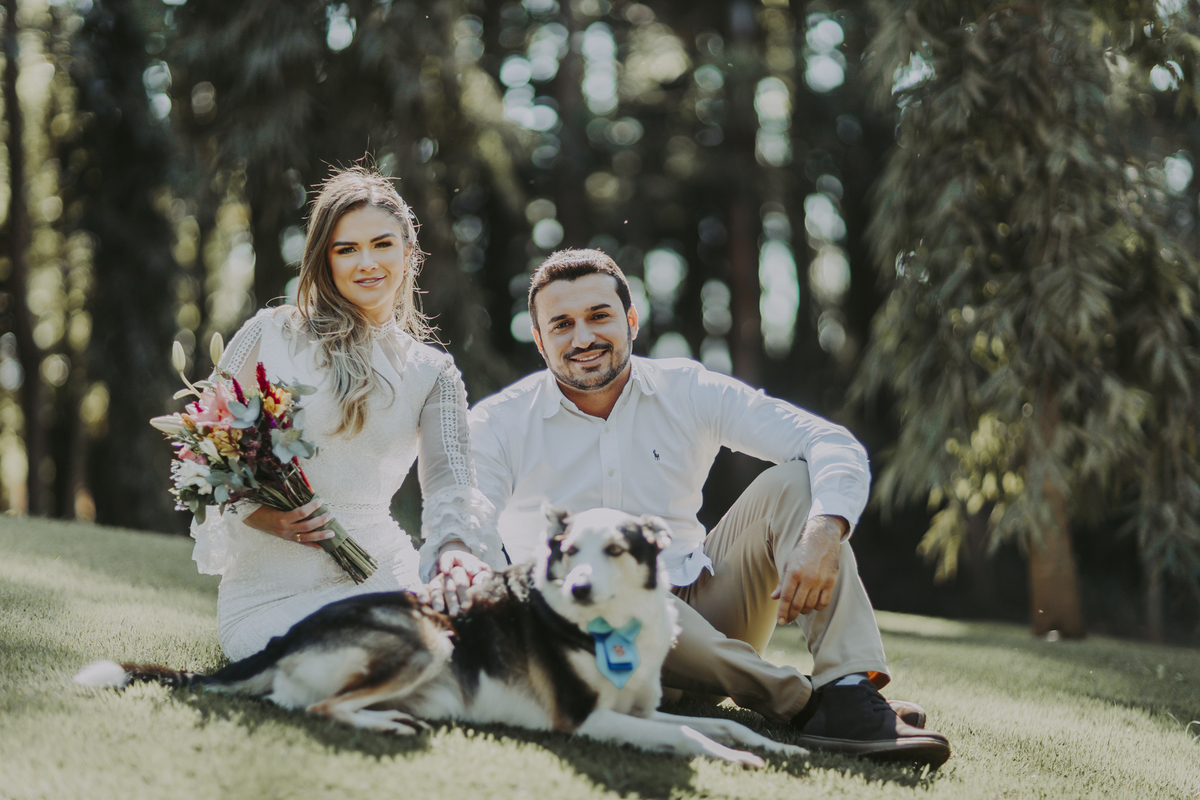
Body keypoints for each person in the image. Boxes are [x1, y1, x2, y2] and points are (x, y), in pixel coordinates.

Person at [450, 248, 950, 764]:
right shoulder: (498, 424)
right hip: (581, 631)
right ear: (540, 339)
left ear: (631, 320)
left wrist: (825, 529)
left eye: (599, 316)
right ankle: (812, 704)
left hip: (705, 606)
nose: (583, 338)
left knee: (795, 482)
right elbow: (468, 517)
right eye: (562, 324)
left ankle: (846, 683)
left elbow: (828, 440)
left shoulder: (686, 389)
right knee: (630, 592)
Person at [189, 167, 506, 661]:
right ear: (324, 259)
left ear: (408, 252)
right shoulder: (270, 333)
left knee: (472, 649)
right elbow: (205, 452)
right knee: (365, 655)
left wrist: (455, 550)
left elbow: (451, 482)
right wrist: (264, 515)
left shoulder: (432, 372)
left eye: (382, 244)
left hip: (383, 571)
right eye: (346, 249)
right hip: (271, 591)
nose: (367, 263)